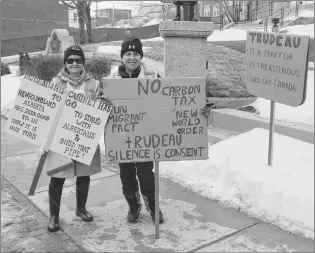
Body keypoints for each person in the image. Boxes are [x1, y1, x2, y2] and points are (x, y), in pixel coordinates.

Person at [105, 36, 212, 224]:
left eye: (136, 54)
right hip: (122, 138)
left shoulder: (152, 76)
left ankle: (153, 207)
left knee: (146, 174)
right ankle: (134, 206)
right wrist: (101, 103)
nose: (132, 57)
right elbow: (101, 106)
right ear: (122, 57)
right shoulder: (111, 80)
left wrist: (198, 109)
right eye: (128, 54)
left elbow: (171, 100)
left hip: (147, 137)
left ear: (141, 56)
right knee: (126, 176)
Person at [43, 45, 105, 232]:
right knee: (57, 176)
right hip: (60, 138)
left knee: (83, 175)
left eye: (78, 60)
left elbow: (99, 107)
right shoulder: (55, 82)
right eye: (70, 60)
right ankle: (54, 215)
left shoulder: (94, 84)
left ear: (83, 63)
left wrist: (102, 104)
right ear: (65, 63)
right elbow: (47, 110)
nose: (74, 63)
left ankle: (81, 208)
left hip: (84, 137)